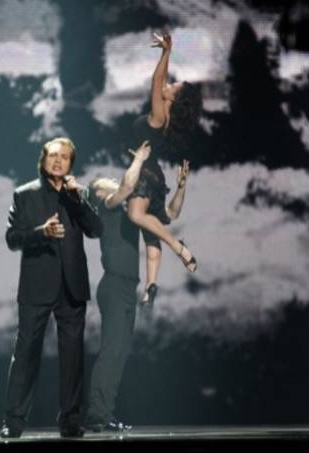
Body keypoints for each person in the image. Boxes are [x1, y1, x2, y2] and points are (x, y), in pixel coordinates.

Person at [1, 137, 103, 439]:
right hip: (37, 286)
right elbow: (12, 239)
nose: (58, 161)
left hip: (72, 286)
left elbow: (96, 230)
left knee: (73, 357)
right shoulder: (25, 194)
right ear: (43, 160)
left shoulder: (77, 194)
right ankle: (13, 421)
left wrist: (78, 198)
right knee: (25, 354)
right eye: (53, 155)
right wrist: (41, 233)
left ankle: (70, 421)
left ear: (71, 163)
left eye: (64, 157)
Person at [126, 31, 203, 307]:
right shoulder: (167, 119)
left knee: (136, 215)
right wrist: (167, 53)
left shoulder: (159, 115)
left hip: (146, 173)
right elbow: (161, 82)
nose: (167, 84)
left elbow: (155, 81)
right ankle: (151, 286)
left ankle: (177, 246)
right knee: (151, 232)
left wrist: (166, 53)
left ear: (174, 98)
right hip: (154, 175)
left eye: (172, 86)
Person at [83, 140, 151, 432]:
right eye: (106, 182)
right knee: (111, 351)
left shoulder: (126, 213)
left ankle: (105, 413)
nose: (112, 181)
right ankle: (96, 414)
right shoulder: (105, 206)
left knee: (120, 354)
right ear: (99, 193)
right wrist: (139, 160)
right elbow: (125, 186)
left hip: (126, 288)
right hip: (114, 287)